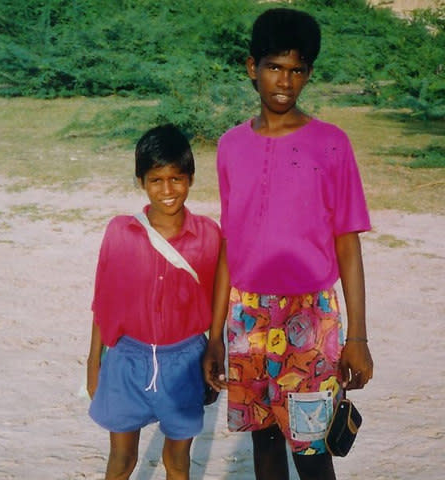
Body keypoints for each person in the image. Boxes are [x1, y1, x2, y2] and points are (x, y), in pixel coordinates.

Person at [203, 8, 374, 480]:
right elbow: (227, 246)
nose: (285, 80)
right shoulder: (230, 146)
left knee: (314, 453)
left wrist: (356, 337)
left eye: (297, 69)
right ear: (251, 67)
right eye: (274, 66)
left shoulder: (332, 143)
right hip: (247, 316)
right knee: (265, 445)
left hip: (311, 318)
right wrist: (215, 333)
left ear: (308, 74)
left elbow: (348, 246)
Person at [87, 124, 222, 480]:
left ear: (191, 178)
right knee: (121, 458)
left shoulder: (210, 235)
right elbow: (103, 300)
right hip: (127, 359)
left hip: (185, 361)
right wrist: (93, 362)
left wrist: (215, 346)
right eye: (156, 179)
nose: (167, 189)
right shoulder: (120, 231)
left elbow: (221, 296)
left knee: (177, 461)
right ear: (141, 181)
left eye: (177, 178)